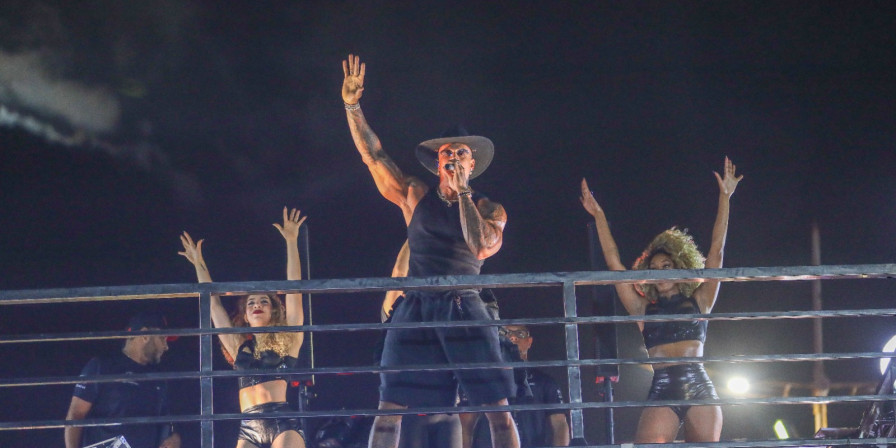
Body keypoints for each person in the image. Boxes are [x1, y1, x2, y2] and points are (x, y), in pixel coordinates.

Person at [341, 54, 519, 448]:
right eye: (446, 153)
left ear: (472, 163)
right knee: (389, 409)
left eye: (460, 154)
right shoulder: (415, 194)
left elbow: (481, 246)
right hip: (417, 305)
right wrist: (352, 106)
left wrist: (464, 195)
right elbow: (374, 156)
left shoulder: (490, 208)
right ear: (437, 161)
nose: (452, 158)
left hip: (464, 304)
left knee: (498, 411)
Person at [579, 157, 743, 443]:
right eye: (654, 269)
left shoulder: (700, 301)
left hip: (699, 386)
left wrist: (725, 196)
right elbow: (615, 264)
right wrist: (599, 216)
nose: (661, 273)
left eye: (667, 266)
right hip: (662, 387)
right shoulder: (643, 309)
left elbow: (716, 251)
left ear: (680, 268)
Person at [179, 207, 307, 448]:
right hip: (248, 427)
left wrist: (291, 241)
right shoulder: (240, 346)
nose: (256, 305)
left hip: (281, 421)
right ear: (245, 315)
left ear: (273, 311)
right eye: (251, 303)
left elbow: (295, 290)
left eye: (263, 301)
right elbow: (213, 305)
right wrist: (198, 262)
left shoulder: (288, 338)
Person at [64, 311, 182, 448]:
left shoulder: (158, 379)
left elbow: (167, 422)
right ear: (144, 335)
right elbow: (76, 414)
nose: (166, 347)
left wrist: (175, 437)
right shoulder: (102, 367)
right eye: (162, 339)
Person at [461, 325, 570, 448]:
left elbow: (559, 424)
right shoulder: (482, 381)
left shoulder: (544, 382)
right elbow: (465, 425)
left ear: (529, 341)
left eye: (520, 334)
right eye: (506, 333)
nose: (513, 338)